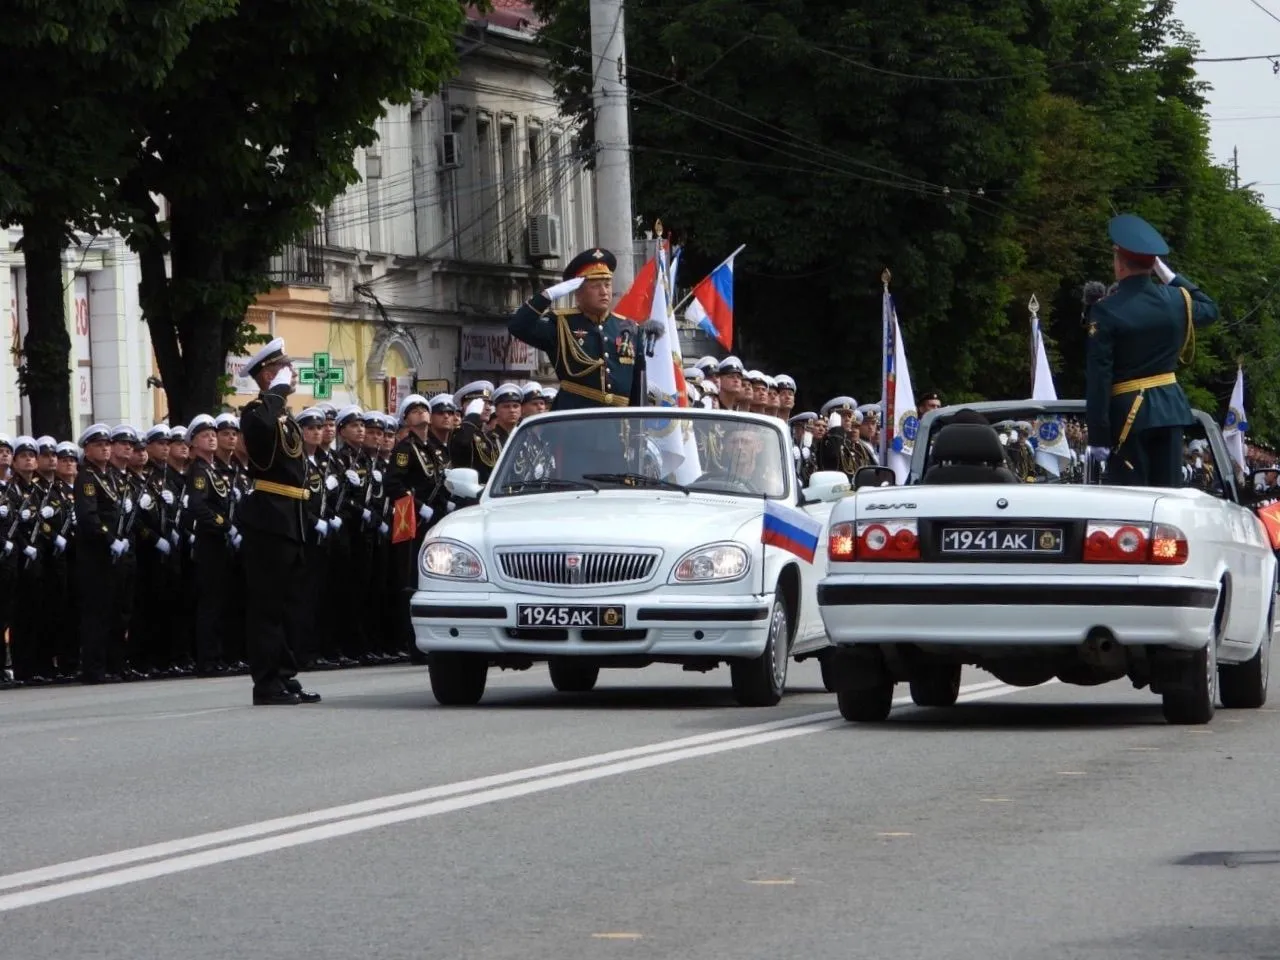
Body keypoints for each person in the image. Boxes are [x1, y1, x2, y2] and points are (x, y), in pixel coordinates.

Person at [1085, 214, 1219, 487]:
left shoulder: (1106, 310)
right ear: (1153, 263)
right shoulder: (1176, 300)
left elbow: (1099, 377)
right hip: (1170, 410)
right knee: (1166, 495)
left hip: (1127, 417)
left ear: (1119, 263)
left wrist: (1099, 435)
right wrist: (1167, 273)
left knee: (1132, 502)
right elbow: (1210, 308)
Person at [236, 337, 321, 706]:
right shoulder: (257, 411)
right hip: (268, 520)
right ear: (269, 374)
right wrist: (277, 390)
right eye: (285, 368)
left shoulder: (283, 416)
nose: (294, 375)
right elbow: (258, 430)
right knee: (266, 606)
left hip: (292, 519)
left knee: (288, 604)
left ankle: (284, 675)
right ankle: (266, 682)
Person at [507, 247, 645, 410]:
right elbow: (518, 326)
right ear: (578, 293)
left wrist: (637, 427)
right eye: (595, 286)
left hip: (619, 425)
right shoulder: (561, 324)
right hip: (575, 421)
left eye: (607, 285)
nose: (604, 292)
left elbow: (638, 384)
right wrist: (546, 296)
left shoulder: (628, 328)